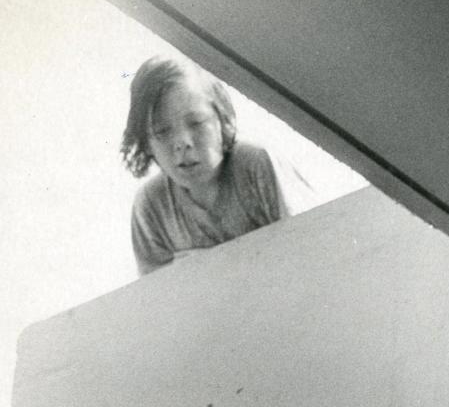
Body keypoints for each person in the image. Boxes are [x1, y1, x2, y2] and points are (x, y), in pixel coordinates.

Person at [121, 55, 319, 275]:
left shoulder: (256, 166)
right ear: (145, 143)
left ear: (223, 119)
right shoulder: (152, 206)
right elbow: (157, 299)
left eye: (196, 123)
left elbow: (312, 249)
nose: (182, 143)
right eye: (162, 131)